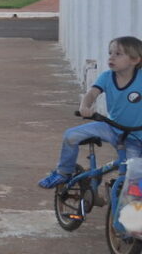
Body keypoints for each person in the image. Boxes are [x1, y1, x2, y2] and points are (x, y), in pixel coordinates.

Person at [38, 36, 142, 188]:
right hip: (110, 128)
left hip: (135, 136)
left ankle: (123, 198)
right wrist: (84, 107)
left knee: (133, 175)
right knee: (71, 136)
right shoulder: (107, 77)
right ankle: (63, 172)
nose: (111, 57)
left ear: (135, 60)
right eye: (110, 53)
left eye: (118, 54)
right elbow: (92, 94)